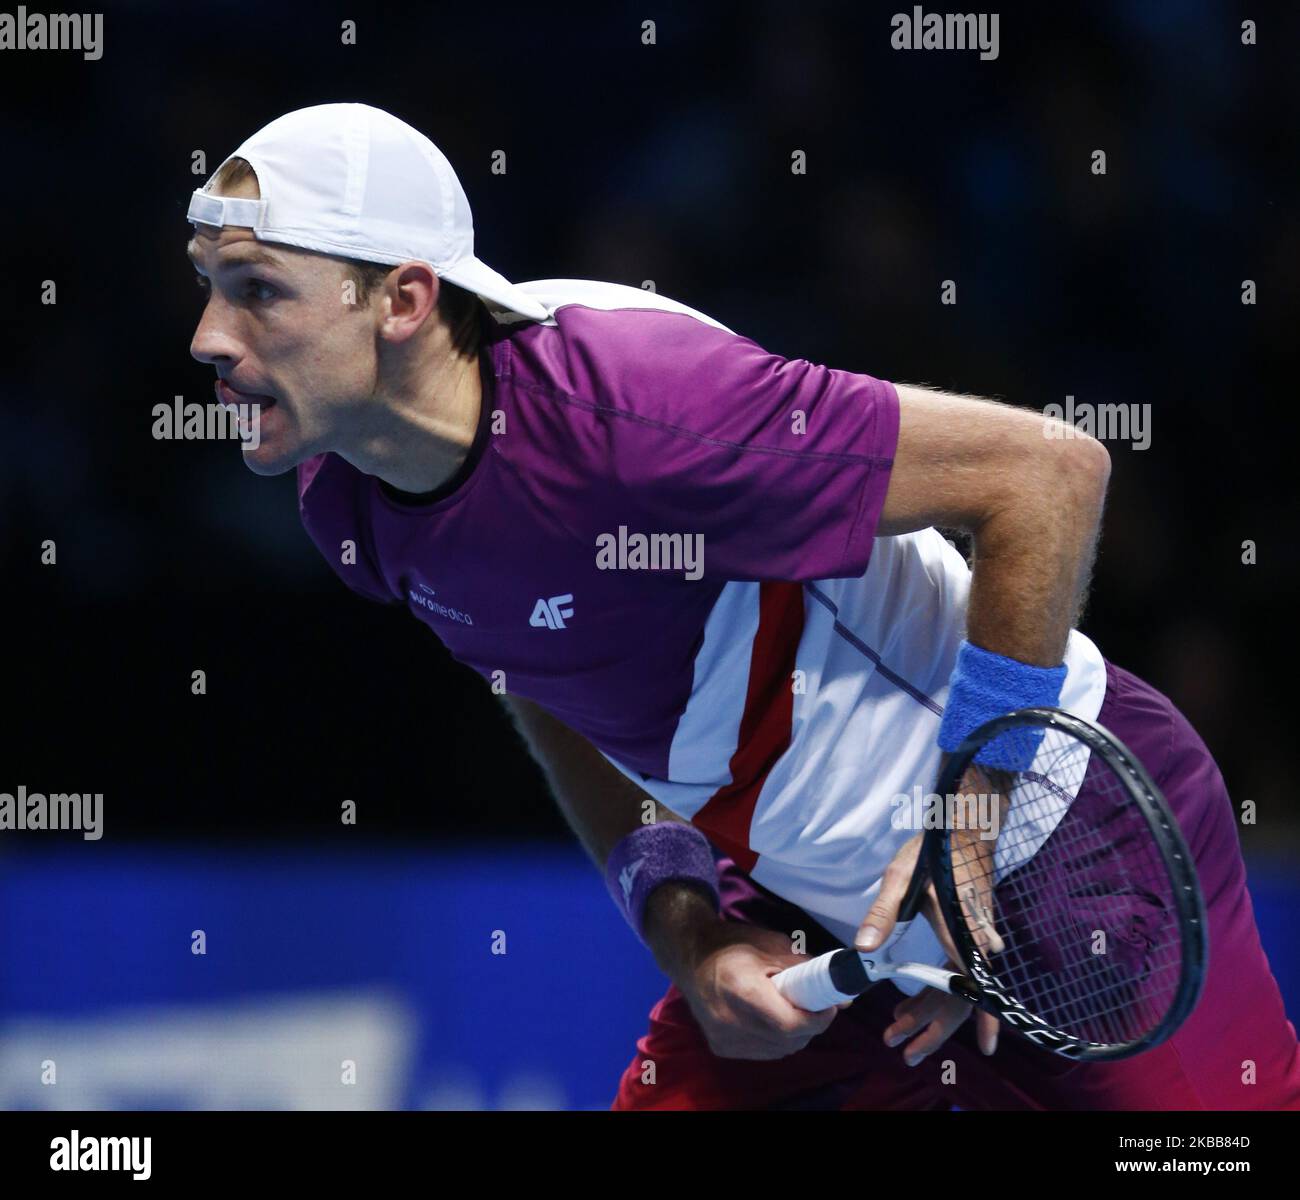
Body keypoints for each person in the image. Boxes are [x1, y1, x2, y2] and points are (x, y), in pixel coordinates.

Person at [185, 102, 1300, 1110]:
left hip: (1059, 839)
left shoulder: (642, 412)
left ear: (405, 298)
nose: (209, 340)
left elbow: (1046, 473)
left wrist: (969, 827)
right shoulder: (348, 501)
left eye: (257, 290)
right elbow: (540, 676)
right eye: (208, 286)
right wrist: (685, 927)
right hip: (812, 909)